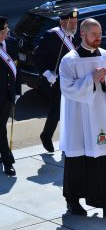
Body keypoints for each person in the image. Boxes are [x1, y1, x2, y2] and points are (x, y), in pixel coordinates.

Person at [59, 18, 106, 220]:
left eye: (100, 33)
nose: (98, 37)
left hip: (101, 115)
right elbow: (66, 88)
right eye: (94, 34)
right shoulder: (69, 60)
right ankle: (73, 201)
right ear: (82, 34)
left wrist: (104, 80)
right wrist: (90, 79)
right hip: (79, 119)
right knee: (78, 161)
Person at [34, 8, 80, 153]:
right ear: (62, 22)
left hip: (73, 80)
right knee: (57, 111)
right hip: (57, 80)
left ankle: (69, 141)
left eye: (75, 22)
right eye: (71, 22)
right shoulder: (52, 35)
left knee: (72, 111)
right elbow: (37, 56)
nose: (74, 25)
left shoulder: (75, 35)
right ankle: (46, 135)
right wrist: (48, 74)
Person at [0, 16, 21, 176]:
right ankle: (7, 161)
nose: (5, 32)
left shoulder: (12, 43)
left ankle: (5, 155)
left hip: (8, 96)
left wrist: (17, 92)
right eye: (2, 30)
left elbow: (16, 69)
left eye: (5, 28)